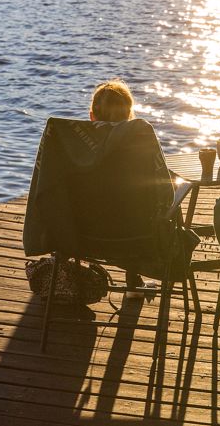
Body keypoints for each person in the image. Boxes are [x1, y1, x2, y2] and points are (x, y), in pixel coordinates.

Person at [88, 79, 150, 297]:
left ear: (91, 116)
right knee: (141, 203)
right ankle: (133, 282)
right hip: (135, 237)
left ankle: (67, 273)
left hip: (81, 234)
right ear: (129, 117)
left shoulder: (74, 148)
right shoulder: (142, 143)